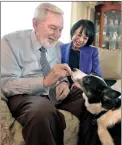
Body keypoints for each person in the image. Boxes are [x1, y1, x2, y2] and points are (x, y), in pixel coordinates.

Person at [1, 3, 99, 145]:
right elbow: (5, 84)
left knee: (91, 96)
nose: (57, 35)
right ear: (35, 24)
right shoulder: (10, 42)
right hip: (26, 97)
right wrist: (44, 82)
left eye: (60, 29)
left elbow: (59, 73)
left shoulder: (56, 45)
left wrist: (64, 83)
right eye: (53, 28)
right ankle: (52, 116)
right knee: (42, 110)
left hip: (54, 95)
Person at [60, 19, 102, 87]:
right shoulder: (61, 48)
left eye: (85, 38)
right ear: (73, 32)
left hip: (83, 88)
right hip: (63, 86)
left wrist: (81, 84)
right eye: (79, 35)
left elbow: (97, 76)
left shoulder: (93, 51)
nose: (81, 40)